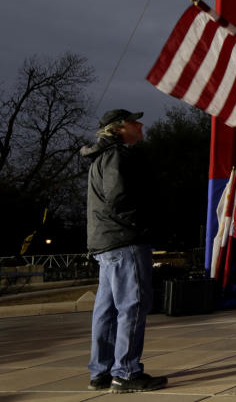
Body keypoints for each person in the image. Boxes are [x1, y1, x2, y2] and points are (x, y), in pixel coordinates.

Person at [81, 109, 167, 393]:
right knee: (134, 305)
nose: (140, 124)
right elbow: (119, 199)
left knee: (106, 310)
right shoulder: (118, 156)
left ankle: (101, 372)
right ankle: (127, 373)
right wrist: (141, 228)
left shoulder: (100, 159)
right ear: (118, 129)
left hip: (107, 244)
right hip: (125, 242)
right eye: (134, 121)